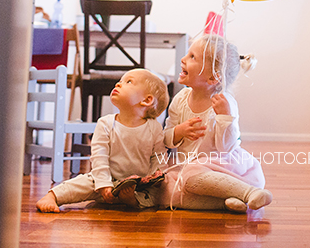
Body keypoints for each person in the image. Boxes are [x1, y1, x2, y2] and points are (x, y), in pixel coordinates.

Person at [159, 34, 272, 213]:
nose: (183, 59)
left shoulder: (225, 103)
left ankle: (249, 191)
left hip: (223, 167)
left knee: (189, 177)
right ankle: (226, 201)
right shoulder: (180, 99)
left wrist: (225, 118)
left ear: (213, 79)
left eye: (192, 57)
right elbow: (165, 139)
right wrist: (179, 131)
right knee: (165, 191)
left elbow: (226, 147)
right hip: (191, 170)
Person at [36, 68, 169, 213]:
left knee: (157, 196)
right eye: (120, 81)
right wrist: (104, 185)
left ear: (147, 100)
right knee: (83, 182)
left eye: (128, 82)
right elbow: (99, 157)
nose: (118, 84)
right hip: (104, 180)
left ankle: (131, 199)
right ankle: (52, 196)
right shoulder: (105, 123)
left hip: (136, 185)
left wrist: (156, 176)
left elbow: (158, 156)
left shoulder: (154, 128)